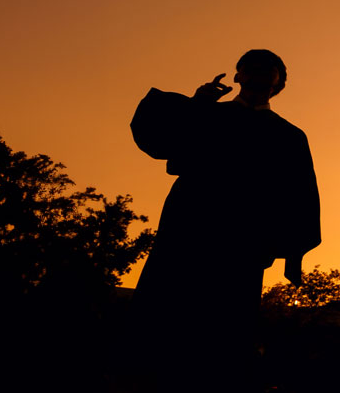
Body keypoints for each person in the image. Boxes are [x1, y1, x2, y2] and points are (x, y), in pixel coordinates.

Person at [129, 49, 322, 392]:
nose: (259, 74)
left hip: (242, 243)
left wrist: (295, 253)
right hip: (188, 231)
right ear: (237, 77)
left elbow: (300, 194)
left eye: (269, 70)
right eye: (251, 68)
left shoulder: (289, 136)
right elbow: (156, 139)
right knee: (166, 320)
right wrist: (195, 104)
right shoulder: (206, 115)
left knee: (225, 335)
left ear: (281, 83)